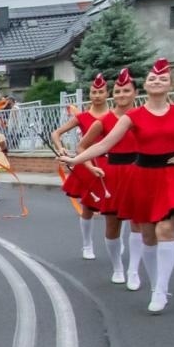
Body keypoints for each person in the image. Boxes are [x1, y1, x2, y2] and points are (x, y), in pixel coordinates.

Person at [63, 58, 174, 313]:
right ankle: (155, 282)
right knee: (147, 235)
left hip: (173, 175)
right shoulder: (133, 116)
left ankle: (160, 290)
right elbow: (104, 145)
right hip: (143, 176)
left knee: (165, 230)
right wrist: (75, 159)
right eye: (152, 79)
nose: (157, 82)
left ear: (170, 85)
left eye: (163, 79)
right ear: (146, 84)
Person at [51, 74, 114, 260]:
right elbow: (56, 132)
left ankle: (115, 241)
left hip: (111, 163)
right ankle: (87, 244)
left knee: (116, 206)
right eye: (94, 92)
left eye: (101, 92)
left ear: (107, 93)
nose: (97, 95)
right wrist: (61, 148)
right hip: (88, 163)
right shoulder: (83, 116)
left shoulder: (115, 116)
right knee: (88, 206)